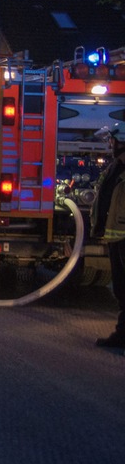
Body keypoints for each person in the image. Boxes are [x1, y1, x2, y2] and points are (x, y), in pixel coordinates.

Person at [92, 125, 125, 348]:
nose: (110, 144)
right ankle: (122, 334)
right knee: (121, 288)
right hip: (116, 237)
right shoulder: (116, 167)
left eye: (113, 141)